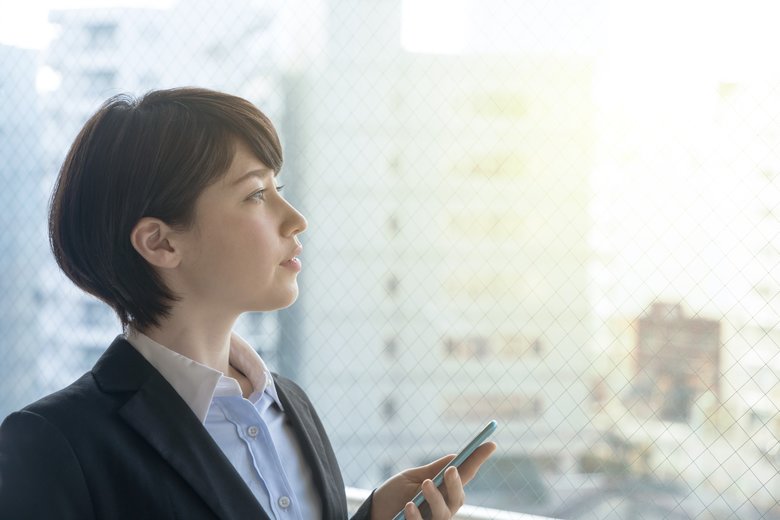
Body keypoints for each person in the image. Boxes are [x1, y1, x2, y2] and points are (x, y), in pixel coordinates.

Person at [0, 87, 495, 519]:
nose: (296, 218)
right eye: (256, 194)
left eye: (278, 188)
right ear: (160, 244)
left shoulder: (290, 405)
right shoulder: (52, 444)